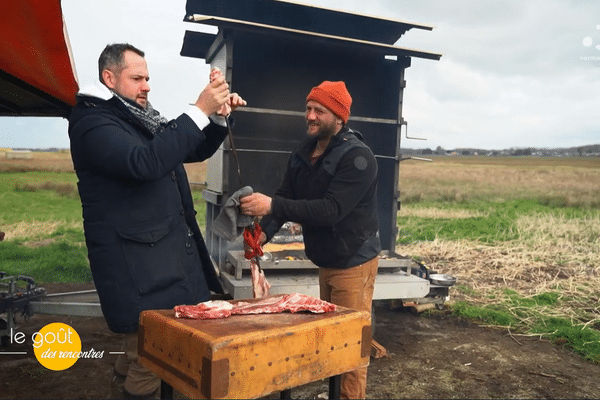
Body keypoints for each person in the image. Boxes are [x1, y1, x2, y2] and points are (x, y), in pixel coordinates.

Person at [68, 43, 246, 399]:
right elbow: (144, 162)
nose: (146, 85)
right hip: (137, 268)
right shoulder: (93, 122)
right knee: (150, 359)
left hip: (157, 262)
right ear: (109, 78)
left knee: (145, 351)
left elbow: (186, 149)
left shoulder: (136, 117)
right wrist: (198, 109)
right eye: (137, 78)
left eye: (147, 78)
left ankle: (122, 385)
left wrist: (217, 117)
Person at [240, 81, 380, 399]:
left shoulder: (358, 158)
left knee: (351, 346)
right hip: (327, 258)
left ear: (340, 117)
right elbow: (286, 197)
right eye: (308, 108)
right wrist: (258, 239)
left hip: (354, 261)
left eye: (319, 110)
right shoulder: (305, 152)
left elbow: (331, 210)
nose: (310, 115)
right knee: (332, 336)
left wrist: (273, 205)